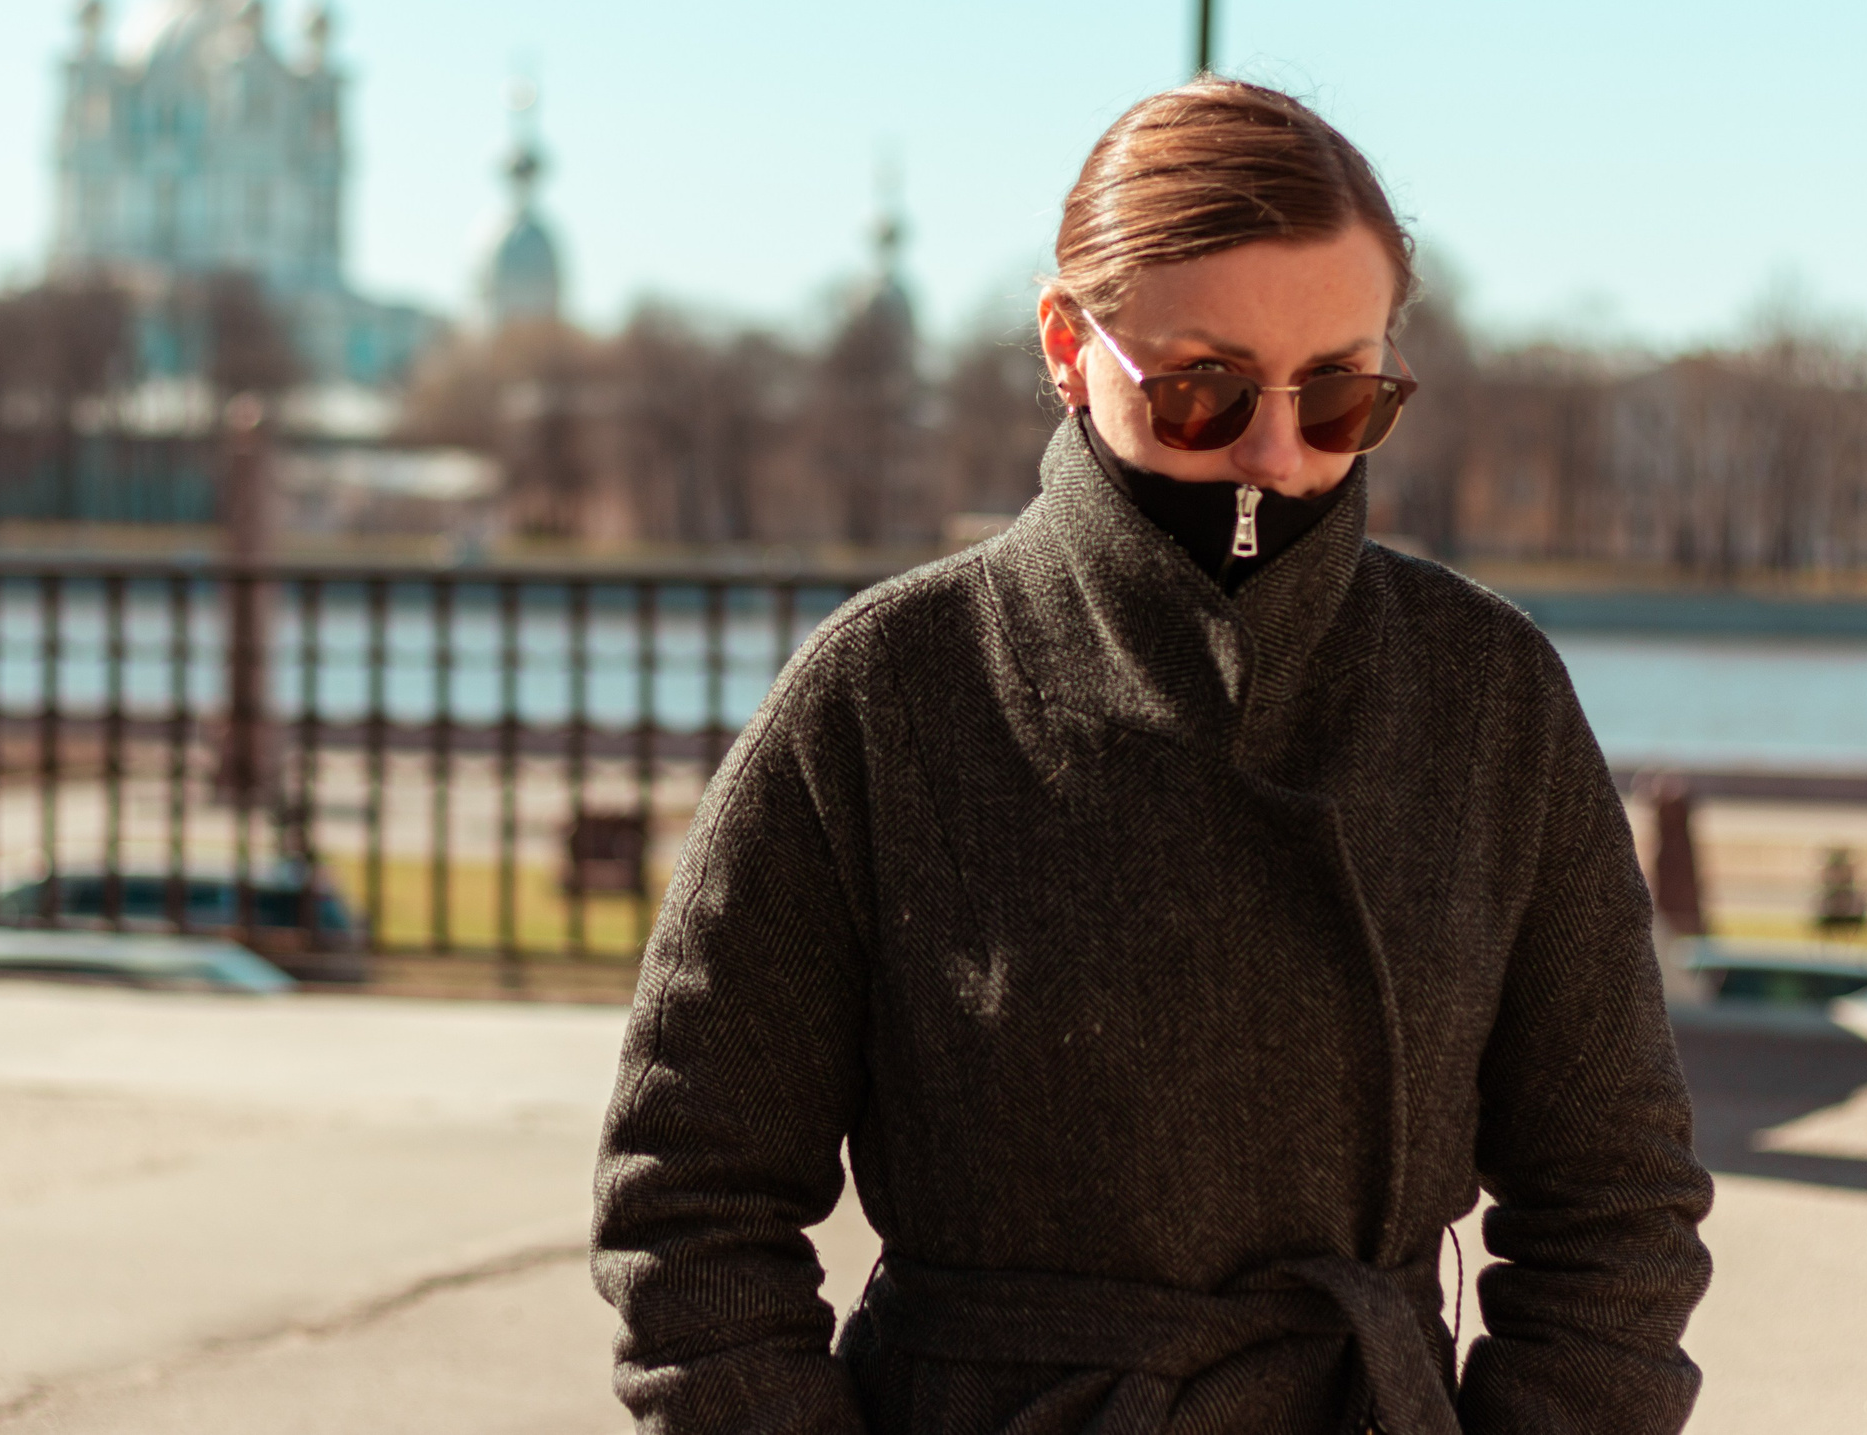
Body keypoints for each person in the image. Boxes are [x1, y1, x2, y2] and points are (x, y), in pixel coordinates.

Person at [591, 79, 1712, 1435]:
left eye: (1342, 393)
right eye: (1203, 390)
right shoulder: (889, 689)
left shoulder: (1483, 694)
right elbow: (690, 1202)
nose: (1279, 454)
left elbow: (1616, 1204)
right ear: (1069, 346)